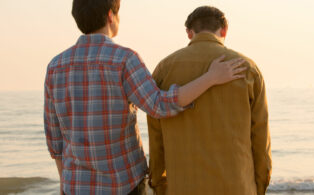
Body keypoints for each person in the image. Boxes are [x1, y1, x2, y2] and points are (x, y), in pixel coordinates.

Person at [43, 1, 246, 194]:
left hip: (75, 187)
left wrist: (65, 182)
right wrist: (210, 78)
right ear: (110, 16)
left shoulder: (55, 67)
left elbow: (55, 139)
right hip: (124, 185)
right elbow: (159, 105)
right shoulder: (123, 59)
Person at [147, 6, 272, 195]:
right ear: (224, 30)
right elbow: (260, 137)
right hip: (238, 187)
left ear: (189, 33)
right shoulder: (247, 69)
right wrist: (259, 185)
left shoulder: (165, 69)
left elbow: (156, 138)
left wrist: (159, 184)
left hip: (182, 188)